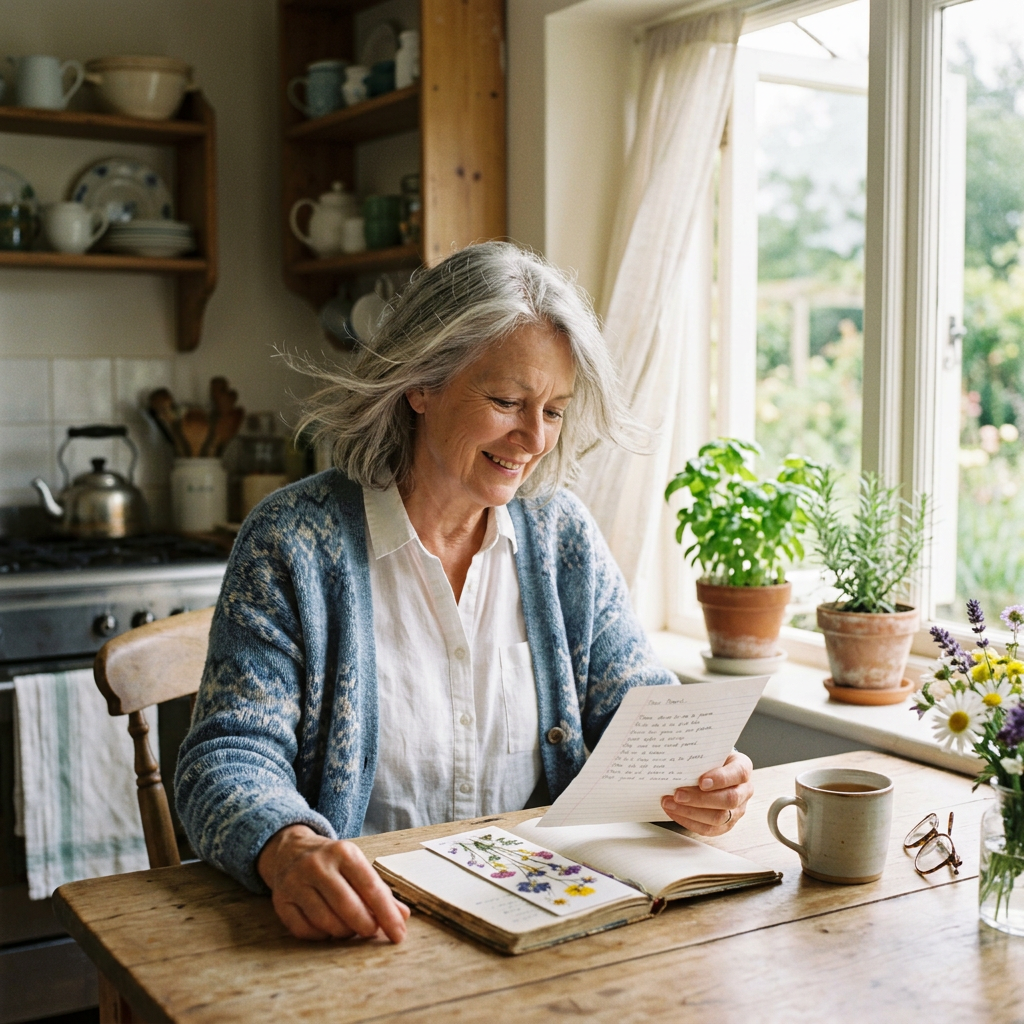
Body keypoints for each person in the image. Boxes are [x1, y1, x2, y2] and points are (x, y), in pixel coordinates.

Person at [174, 241, 754, 946]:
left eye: (556, 410)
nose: (534, 438)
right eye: (507, 401)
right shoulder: (292, 541)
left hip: (543, 926)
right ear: (421, 384)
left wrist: (699, 776)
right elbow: (224, 758)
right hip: (369, 929)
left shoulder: (560, 533)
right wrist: (288, 845)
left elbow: (638, 707)